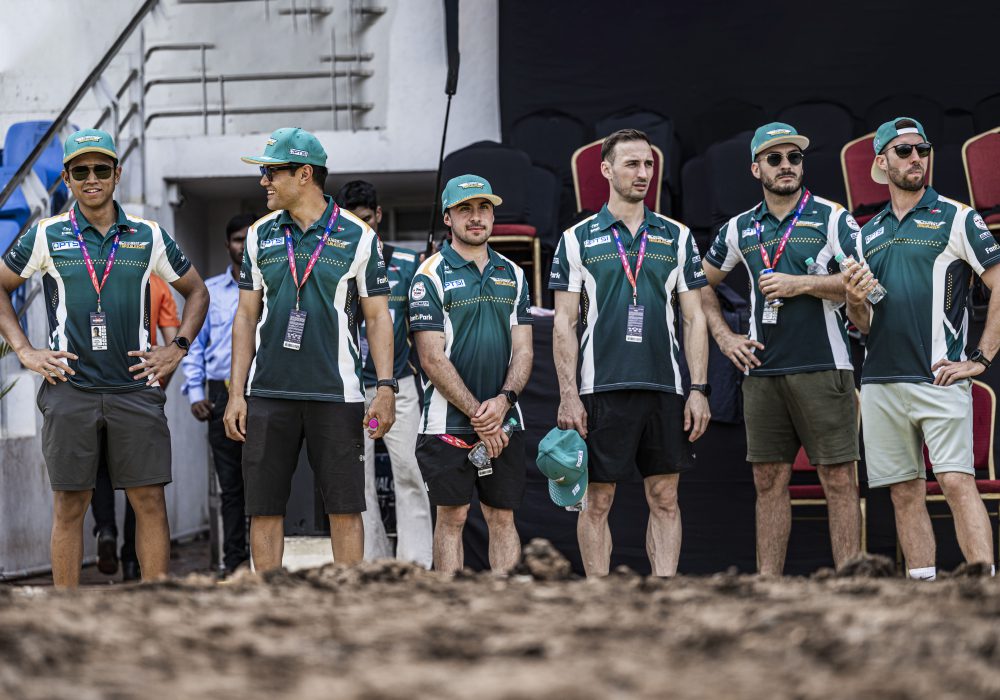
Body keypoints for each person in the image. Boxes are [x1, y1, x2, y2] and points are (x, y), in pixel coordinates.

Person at [0, 128, 208, 587]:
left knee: (149, 501)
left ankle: (159, 604)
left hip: (134, 388)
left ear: (117, 173)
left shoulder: (148, 235)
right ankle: (67, 615)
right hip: (68, 388)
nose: (91, 178)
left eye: (100, 169)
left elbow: (196, 291)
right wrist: (25, 351)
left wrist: (177, 349)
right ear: (67, 180)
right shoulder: (46, 234)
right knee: (69, 505)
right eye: (80, 171)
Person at [224, 128, 395, 572]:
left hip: (337, 393)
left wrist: (385, 387)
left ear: (303, 174)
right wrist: (236, 393)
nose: (263, 180)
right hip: (268, 392)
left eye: (271, 172)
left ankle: (349, 597)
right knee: (264, 507)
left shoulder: (359, 235)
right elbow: (245, 316)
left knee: (345, 506)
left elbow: (378, 316)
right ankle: (269, 599)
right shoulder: (259, 234)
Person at [699, 122, 863, 575]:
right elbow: (697, 284)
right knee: (768, 481)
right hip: (762, 373)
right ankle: (768, 588)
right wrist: (724, 337)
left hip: (824, 367)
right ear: (757, 169)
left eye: (794, 157)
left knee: (839, 480)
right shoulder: (739, 227)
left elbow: (864, 284)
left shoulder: (832, 217)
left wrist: (801, 284)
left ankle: (853, 588)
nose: (786, 165)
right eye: (775, 158)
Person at [550, 128, 710, 577]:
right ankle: (599, 596)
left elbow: (695, 318)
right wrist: (568, 394)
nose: (643, 173)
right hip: (600, 387)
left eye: (648, 164)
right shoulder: (577, 238)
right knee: (597, 500)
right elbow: (564, 322)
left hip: (665, 386)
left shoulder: (677, 236)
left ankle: (664, 593)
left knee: (665, 497)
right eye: (632, 164)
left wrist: (698, 389)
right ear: (606, 169)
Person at [846, 117, 999, 580]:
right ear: (881, 162)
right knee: (903, 492)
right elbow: (863, 323)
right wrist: (854, 300)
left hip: (938, 375)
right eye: (904, 151)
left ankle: (985, 589)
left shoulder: (958, 216)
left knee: (956, 481)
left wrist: (980, 359)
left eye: (923, 150)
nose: (917, 158)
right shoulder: (865, 233)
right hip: (880, 382)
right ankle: (923, 594)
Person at [410, 174, 533, 575]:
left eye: (484, 208)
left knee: (502, 517)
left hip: (505, 421)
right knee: (453, 517)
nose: (476, 217)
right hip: (446, 423)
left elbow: (524, 350)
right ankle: (450, 606)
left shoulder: (513, 273)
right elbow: (431, 358)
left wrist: (504, 402)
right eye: (465, 209)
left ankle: (506, 605)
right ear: (448, 217)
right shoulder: (429, 274)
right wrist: (482, 416)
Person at [333, 180, 432, 568]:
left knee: (409, 472)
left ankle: (416, 565)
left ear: (378, 215)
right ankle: (372, 563)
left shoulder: (408, 262)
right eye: (353, 221)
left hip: (399, 384)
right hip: (350, 387)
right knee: (357, 482)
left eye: (367, 219)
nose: (363, 228)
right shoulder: (334, 262)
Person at [90, 272, 181, 581]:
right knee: (142, 484)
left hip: (92, 387)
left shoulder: (95, 278)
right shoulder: (158, 284)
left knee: (100, 468)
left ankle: (106, 530)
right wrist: (158, 382)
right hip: (138, 389)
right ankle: (131, 560)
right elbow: (172, 342)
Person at [181, 213, 254, 575]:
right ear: (227, 245)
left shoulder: (277, 286)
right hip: (221, 394)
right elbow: (195, 345)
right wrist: (195, 392)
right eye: (238, 239)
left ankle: (266, 562)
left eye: (250, 238)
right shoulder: (209, 291)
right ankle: (235, 562)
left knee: (267, 482)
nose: (244, 246)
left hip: (264, 393)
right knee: (231, 485)